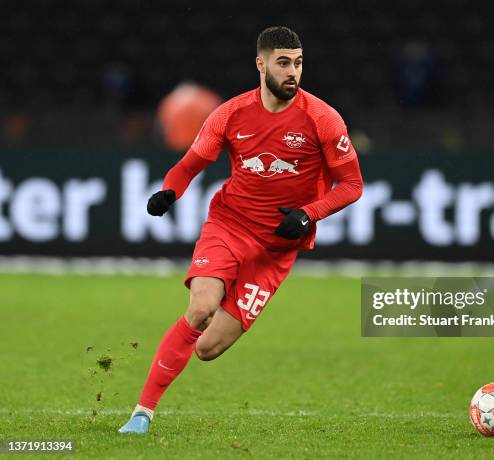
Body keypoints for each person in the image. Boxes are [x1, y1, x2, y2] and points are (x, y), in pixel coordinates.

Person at [118, 26, 363, 434]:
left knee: (207, 349)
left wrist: (308, 214)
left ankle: (178, 356)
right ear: (261, 64)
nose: (293, 72)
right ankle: (142, 413)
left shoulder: (323, 118)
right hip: (229, 226)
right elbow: (188, 166)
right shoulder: (230, 114)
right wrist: (169, 192)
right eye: (283, 62)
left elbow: (353, 185)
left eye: (298, 63)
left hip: (276, 250)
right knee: (200, 309)